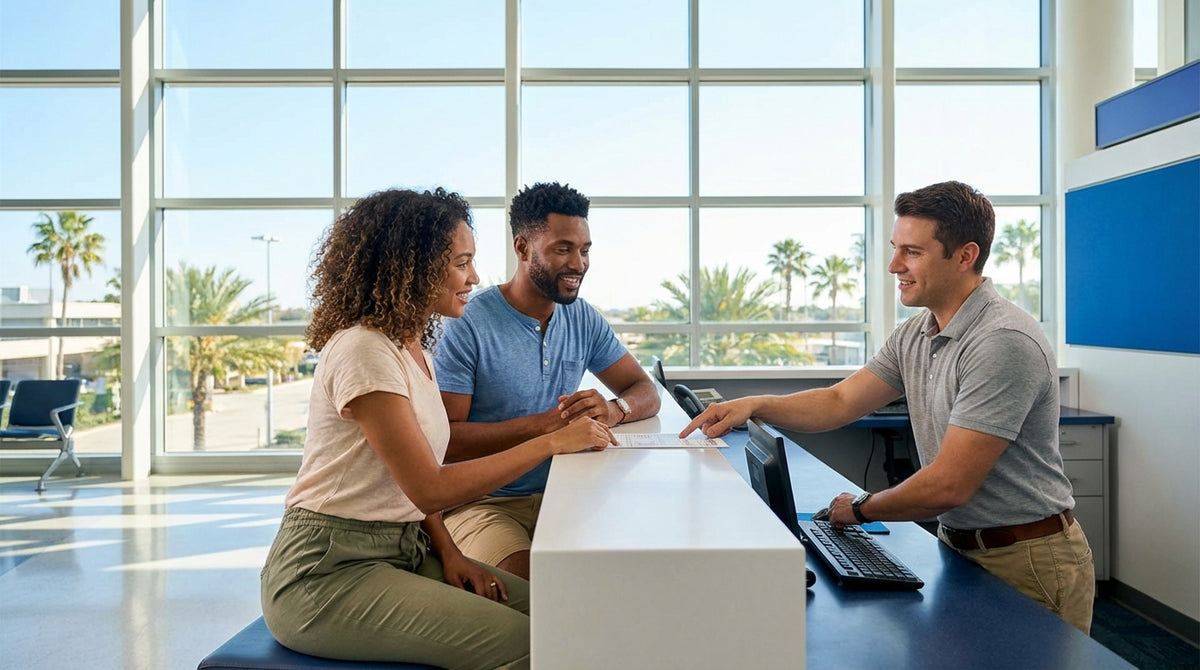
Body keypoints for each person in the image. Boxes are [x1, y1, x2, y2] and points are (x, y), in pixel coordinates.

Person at [680, 180, 1095, 633]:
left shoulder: (1001, 342)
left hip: (1027, 557)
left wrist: (860, 508)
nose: (894, 265)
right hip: (961, 546)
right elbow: (840, 401)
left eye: (912, 252)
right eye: (896, 248)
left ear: (965, 256)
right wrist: (757, 405)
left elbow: (949, 486)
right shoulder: (917, 332)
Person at [260, 187, 616, 669]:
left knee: (563, 612)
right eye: (460, 262)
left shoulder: (413, 348)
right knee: (530, 644)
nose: (473, 277)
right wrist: (552, 438)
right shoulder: (363, 350)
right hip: (326, 572)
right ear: (411, 267)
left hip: (404, 547)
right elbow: (430, 486)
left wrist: (449, 552)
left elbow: (412, 480)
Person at [433, 181, 662, 580]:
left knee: (632, 575)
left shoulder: (582, 317)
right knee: (539, 594)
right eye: (563, 249)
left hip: (566, 491)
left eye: (584, 249)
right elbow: (448, 443)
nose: (579, 263)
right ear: (522, 249)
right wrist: (548, 427)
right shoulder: (467, 324)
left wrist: (612, 410)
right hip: (484, 503)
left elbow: (645, 391)